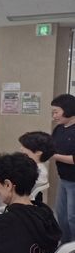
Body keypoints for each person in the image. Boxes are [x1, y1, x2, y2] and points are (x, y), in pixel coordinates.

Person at [0, 131, 55, 199]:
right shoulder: (27, 165)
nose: (21, 149)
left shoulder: (37, 170)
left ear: (38, 152)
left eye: (25, 147)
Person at [51, 94, 75, 243]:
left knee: (73, 217)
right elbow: (50, 146)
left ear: (68, 110)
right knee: (62, 216)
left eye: (56, 112)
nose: (54, 116)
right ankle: (64, 247)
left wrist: (53, 155)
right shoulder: (59, 129)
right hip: (63, 179)